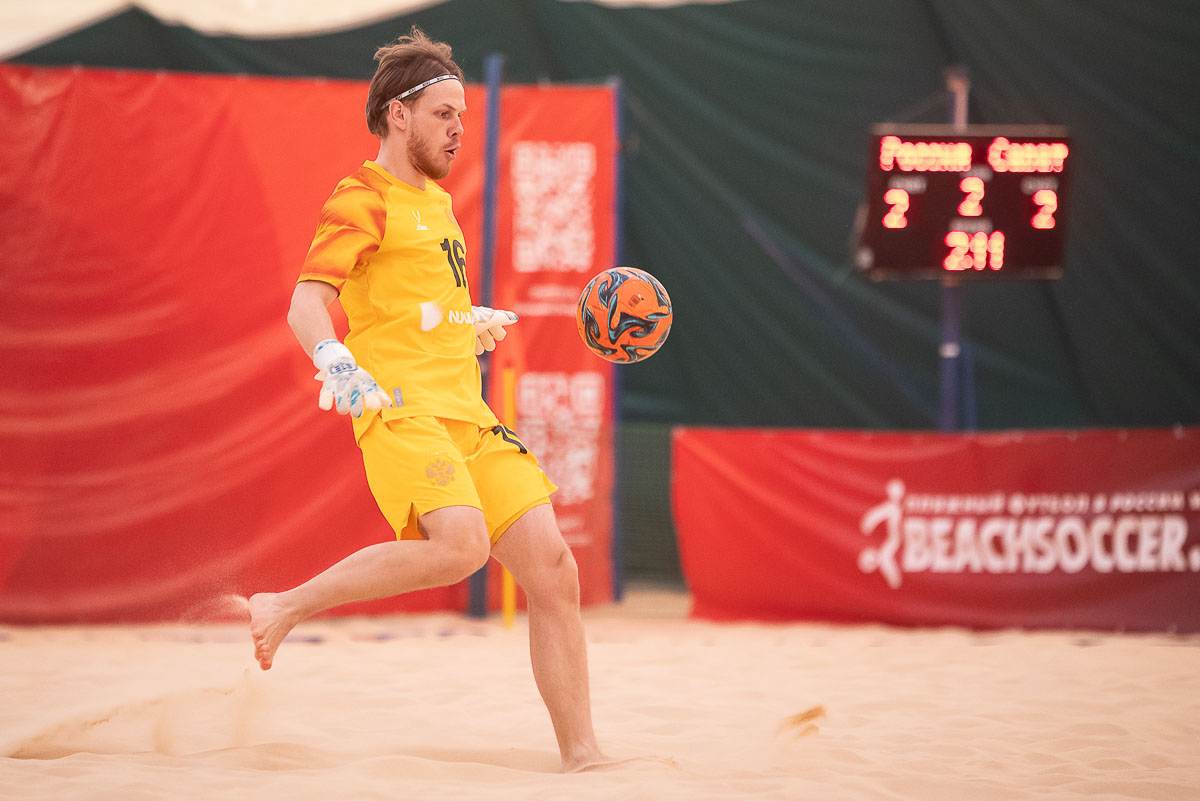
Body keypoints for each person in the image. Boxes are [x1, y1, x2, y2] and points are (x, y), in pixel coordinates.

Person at [248, 27, 610, 773]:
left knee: (555, 569)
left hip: (468, 414)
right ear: (397, 115)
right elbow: (305, 304)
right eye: (444, 113)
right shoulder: (362, 197)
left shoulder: (439, 204)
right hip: (401, 408)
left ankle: (584, 756)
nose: (457, 128)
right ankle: (284, 604)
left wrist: (463, 323)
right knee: (461, 547)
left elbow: (414, 305)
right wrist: (336, 360)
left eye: (462, 115)